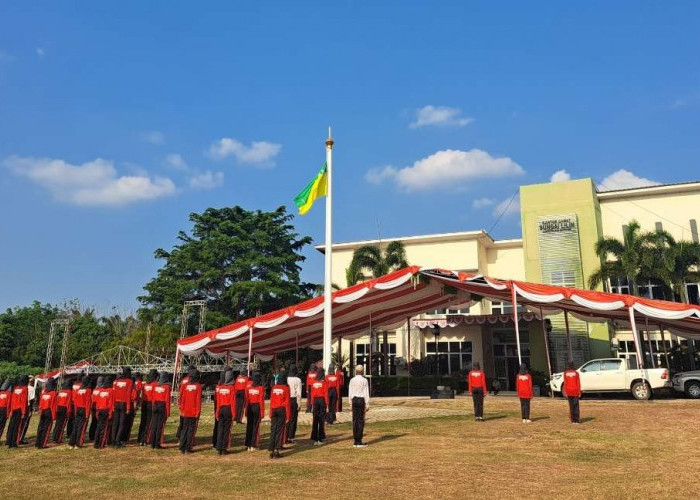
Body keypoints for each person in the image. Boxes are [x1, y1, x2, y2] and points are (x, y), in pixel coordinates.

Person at [178, 368, 202, 454]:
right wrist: (198, 412)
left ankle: (182, 447)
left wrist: (182, 409)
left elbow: (183, 398)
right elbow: (198, 400)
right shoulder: (198, 386)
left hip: (185, 411)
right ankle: (188, 448)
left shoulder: (185, 385)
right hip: (193, 412)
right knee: (191, 431)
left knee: (184, 429)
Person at [268, 372, 291, 459]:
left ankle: (272, 448)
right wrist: (288, 416)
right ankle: (276, 450)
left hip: (274, 409)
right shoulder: (286, 388)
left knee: (273, 429)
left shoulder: (274, 387)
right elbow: (287, 403)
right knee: (279, 430)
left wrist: (270, 413)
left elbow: (271, 400)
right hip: (282, 410)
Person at [348, 365, 370, 448]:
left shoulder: (352, 380)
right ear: (362, 371)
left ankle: (355, 440)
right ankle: (359, 440)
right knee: (361, 420)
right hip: (361, 400)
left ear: (356, 371)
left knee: (355, 420)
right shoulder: (364, 380)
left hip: (354, 400)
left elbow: (350, 392)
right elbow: (366, 392)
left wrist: (350, 403)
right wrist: (367, 404)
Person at [111, 366, 134, 448]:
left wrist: (112, 405)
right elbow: (128, 395)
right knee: (122, 423)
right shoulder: (129, 382)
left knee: (115, 423)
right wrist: (128, 407)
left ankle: (113, 440)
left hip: (116, 403)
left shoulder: (115, 382)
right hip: (123, 404)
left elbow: (113, 394)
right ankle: (118, 441)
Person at [215, 368, 235, 455]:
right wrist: (234, 414)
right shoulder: (231, 388)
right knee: (227, 429)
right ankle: (224, 448)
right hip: (228, 409)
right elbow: (233, 402)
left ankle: (218, 447)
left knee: (220, 428)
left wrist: (217, 412)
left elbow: (218, 402)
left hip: (221, 408)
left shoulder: (220, 388)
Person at [69, 375, 92, 448]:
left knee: (76, 426)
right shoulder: (88, 390)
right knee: (81, 428)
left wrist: (76, 411)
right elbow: (88, 402)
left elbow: (76, 401)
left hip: (78, 409)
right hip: (84, 409)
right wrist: (87, 414)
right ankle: (78, 444)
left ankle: (71, 443)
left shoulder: (79, 389)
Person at [6, 375, 28, 447]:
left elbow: (12, 400)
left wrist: (11, 410)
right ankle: (14, 443)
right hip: (20, 409)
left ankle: (9, 442)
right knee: (17, 427)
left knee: (12, 426)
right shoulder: (25, 388)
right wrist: (24, 412)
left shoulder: (15, 388)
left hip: (14, 408)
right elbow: (24, 401)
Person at [150, 372, 171, 449]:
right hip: (162, 406)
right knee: (159, 426)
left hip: (155, 405)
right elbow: (167, 400)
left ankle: (152, 443)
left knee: (154, 425)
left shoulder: (155, 386)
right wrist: (168, 412)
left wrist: (153, 406)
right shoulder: (167, 387)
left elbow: (153, 397)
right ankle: (157, 444)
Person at [244, 372, 265, 451]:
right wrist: (262, 413)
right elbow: (261, 401)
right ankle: (254, 445)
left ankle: (248, 444)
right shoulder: (260, 388)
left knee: (249, 426)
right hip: (257, 407)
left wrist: (246, 411)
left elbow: (246, 400)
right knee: (255, 426)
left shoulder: (249, 388)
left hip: (249, 407)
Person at [138, 369, 158, 446]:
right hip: (150, 404)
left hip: (144, 403)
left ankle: (140, 439)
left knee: (143, 421)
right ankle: (146, 439)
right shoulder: (155, 384)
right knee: (149, 423)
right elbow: (154, 396)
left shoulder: (145, 384)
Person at [36, 378, 58, 449]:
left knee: (41, 427)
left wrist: (40, 412)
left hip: (43, 411)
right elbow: (53, 405)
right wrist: (54, 416)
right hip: (49, 411)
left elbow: (40, 404)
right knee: (47, 428)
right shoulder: (53, 393)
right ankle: (43, 444)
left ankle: (38, 442)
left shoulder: (44, 393)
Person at [94, 376, 114, 449]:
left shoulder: (101, 390)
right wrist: (110, 413)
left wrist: (97, 411)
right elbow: (111, 403)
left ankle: (96, 443)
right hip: (106, 410)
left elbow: (98, 402)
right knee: (104, 428)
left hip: (99, 410)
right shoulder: (111, 390)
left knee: (98, 427)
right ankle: (101, 444)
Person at [310, 368, 328, 445]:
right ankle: (320, 439)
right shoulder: (324, 383)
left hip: (315, 401)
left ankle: (314, 438)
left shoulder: (314, 382)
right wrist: (327, 404)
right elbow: (326, 393)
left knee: (315, 419)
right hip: (322, 400)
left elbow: (312, 394)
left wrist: (312, 403)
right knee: (321, 420)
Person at [175, 366, 194, 439]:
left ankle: (179, 436)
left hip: (183, 403)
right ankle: (184, 438)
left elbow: (181, 392)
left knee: (182, 421)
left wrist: (180, 403)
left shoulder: (183, 380)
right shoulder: (191, 380)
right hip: (188, 404)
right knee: (187, 423)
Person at [123, 372, 142, 443]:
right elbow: (135, 399)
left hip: (124, 406)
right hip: (130, 407)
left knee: (123, 423)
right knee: (128, 424)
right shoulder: (134, 389)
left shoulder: (125, 388)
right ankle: (126, 438)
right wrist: (135, 409)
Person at [52, 379, 73, 444]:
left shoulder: (60, 391)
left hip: (58, 408)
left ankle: (55, 437)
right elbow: (68, 402)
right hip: (64, 408)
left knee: (58, 424)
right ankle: (59, 439)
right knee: (62, 424)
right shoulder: (69, 392)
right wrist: (69, 411)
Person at [286, 365, 302, 444]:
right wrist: (299, 404)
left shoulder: (287, 379)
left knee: (286, 419)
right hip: (293, 400)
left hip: (286, 400)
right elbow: (299, 393)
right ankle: (290, 437)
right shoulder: (298, 380)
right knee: (293, 419)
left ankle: (285, 436)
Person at [20, 375, 36, 444]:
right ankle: (20, 439)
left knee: (19, 423)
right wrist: (31, 410)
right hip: (27, 407)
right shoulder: (31, 388)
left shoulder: (20, 387)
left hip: (19, 406)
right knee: (24, 424)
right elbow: (32, 400)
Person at [88, 376, 104, 441]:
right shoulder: (101, 390)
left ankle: (91, 435)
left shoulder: (94, 390)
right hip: (98, 408)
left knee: (93, 421)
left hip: (93, 407)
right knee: (98, 422)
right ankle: (97, 436)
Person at [212, 370, 226, 448]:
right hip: (221, 406)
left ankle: (215, 441)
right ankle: (220, 442)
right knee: (222, 426)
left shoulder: (217, 386)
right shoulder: (223, 387)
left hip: (217, 406)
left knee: (217, 425)